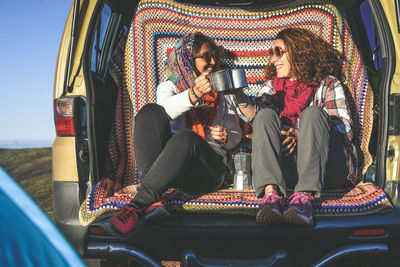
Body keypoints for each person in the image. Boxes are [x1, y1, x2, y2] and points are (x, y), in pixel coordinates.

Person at [99, 32, 242, 236]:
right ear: (187, 60)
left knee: (186, 138)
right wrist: (194, 94)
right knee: (148, 112)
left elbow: (236, 132)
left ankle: (136, 205)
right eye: (205, 56)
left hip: (208, 170)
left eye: (215, 56)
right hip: (171, 171)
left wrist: (227, 136)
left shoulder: (224, 92)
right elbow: (165, 110)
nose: (212, 61)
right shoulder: (169, 87)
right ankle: (154, 200)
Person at [233, 28, 359, 225]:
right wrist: (238, 95)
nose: (273, 60)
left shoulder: (328, 85)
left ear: (299, 52)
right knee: (264, 115)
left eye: (279, 52)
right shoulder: (271, 88)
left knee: (313, 114)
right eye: (271, 53)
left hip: (328, 168)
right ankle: (271, 197)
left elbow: (345, 131)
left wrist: (302, 134)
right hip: (289, 168)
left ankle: (304, 200)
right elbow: (257, 119)